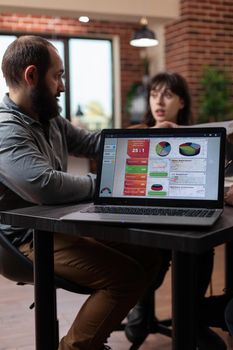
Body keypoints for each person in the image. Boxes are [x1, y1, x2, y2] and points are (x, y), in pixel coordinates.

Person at [0, 35, 169, 350]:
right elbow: (45, 186)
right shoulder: (6, 129)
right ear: (32, 75)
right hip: (24, 240)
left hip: (57, 225)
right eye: (58, 75)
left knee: (149, 254)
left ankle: (98, 332)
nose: (62, 85)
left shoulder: (48, 118)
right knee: (126, 278)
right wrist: (107, 186)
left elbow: (93, 143)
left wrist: (147, 137)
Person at [125, 71, 228, 350]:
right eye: (154, 94)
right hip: (145, 220)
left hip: (186, 218)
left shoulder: (199, 138)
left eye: (168, 94)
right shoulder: (134, 134)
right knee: (148, 249)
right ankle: (141, 307)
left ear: (181, 102)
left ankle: (191, 319)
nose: (159, 101)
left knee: (200, 245)